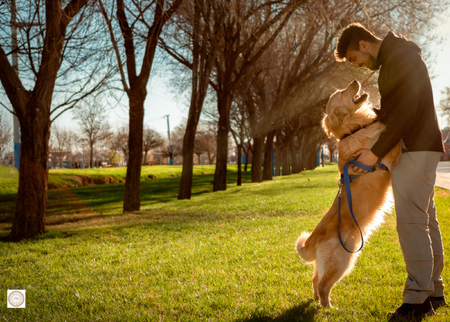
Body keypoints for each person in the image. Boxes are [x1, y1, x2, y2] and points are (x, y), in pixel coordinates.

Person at [335, 23, 445, 320]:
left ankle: (417, 301)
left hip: (415, 146)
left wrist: (375, 151)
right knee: (424, 219)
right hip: (419, 146)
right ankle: (434, 291)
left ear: (363, 44)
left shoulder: (398, 58)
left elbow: (405, 111)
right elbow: (395, 111)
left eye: (356, 60)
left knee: (411, 223)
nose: (359, 67)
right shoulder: (398, 56)